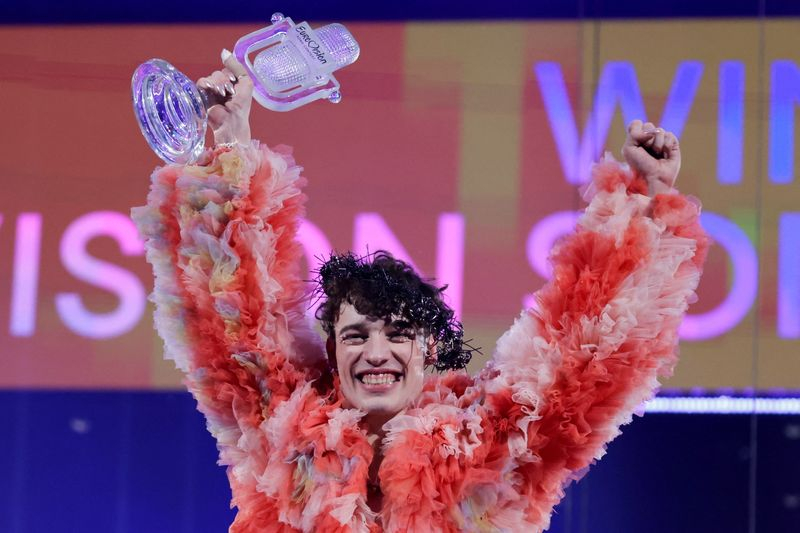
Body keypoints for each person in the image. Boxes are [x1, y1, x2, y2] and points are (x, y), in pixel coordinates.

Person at [132, 52, 709, 533]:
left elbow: (579, 360)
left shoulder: (486, 449)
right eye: (356, 336)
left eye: (398, 334)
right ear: (331, 351)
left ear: (430, 349)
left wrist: (642, 199)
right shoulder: (284, 434)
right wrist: (232, 139)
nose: (376, 353)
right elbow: (235, 322)